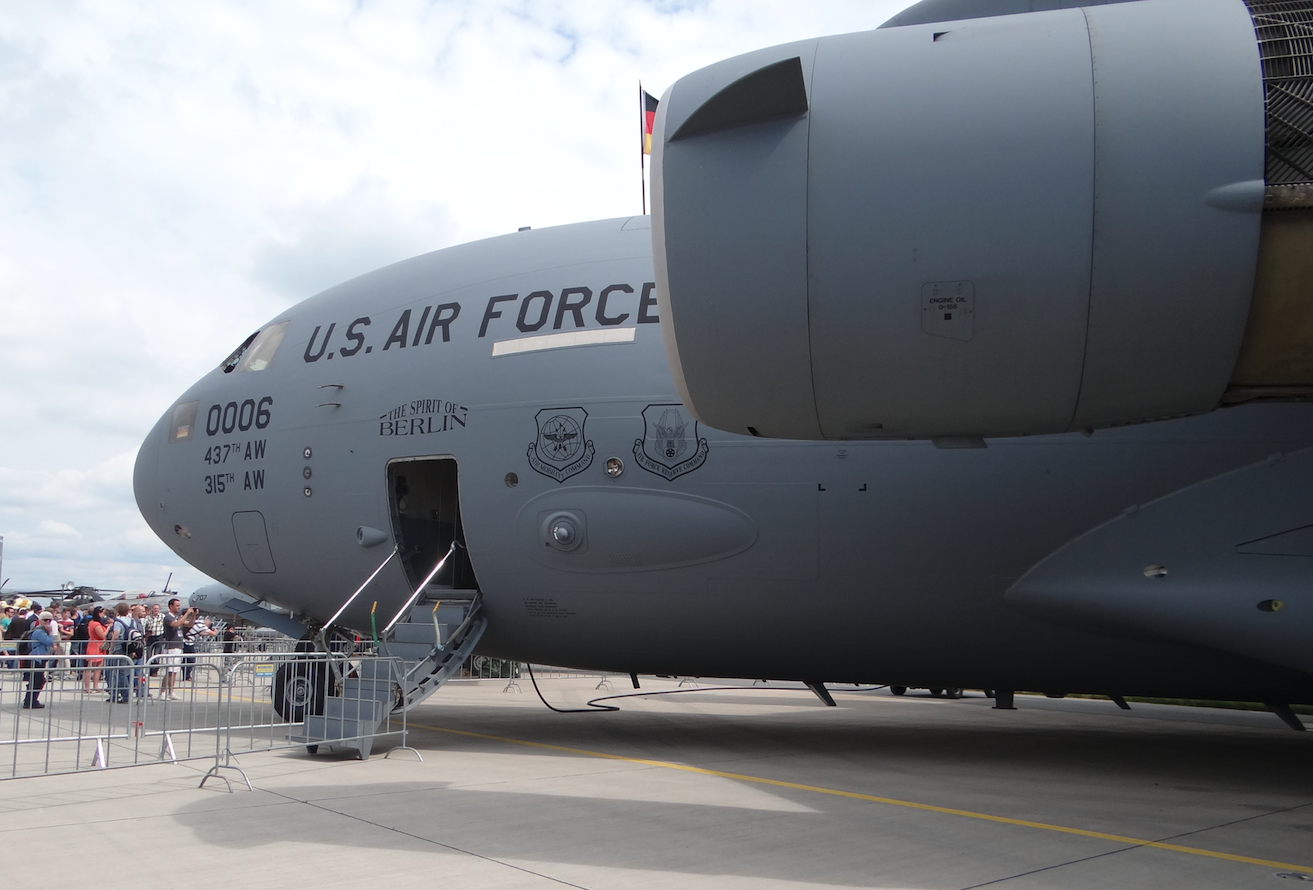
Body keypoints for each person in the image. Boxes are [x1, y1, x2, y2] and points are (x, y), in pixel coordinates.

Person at [159, 598, 196, 700]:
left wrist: (193, 615)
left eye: (179, 606)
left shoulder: (177, 617)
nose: (178, 607)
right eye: (177, 606)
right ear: (171, 606)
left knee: (175, 671)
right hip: (171, 647)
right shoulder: (168, 617)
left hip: (178, 646)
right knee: (170, 671)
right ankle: (162, 692)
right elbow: (175, 624)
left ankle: (171, 692)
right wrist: (186, 614)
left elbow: (189, 624)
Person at [22, 611, 56, 709]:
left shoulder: (41, 631)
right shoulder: (39, 631)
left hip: (40, 658)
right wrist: (51, 633)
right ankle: (30, 701)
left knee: (37, 680)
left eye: (50, 620)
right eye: (45, 620)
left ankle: (31, 700)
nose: (48, 622)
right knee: (38, 680)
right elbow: (49, 642)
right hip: (36, 658)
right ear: (40, 621)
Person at [83, 606, 108, 693]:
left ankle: (95, 685)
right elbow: (102, 635)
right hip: (95, 646)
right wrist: (108, 628)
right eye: (102, 613)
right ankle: (87, 686)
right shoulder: (95, 624)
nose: (104, 615)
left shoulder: (94, 623)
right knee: (90, 667)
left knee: (99, 667)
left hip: (99, 646)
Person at [143, 603, 164, 676]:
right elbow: (144, 626)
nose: (156, 610)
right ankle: (149, 670)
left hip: (159, 637)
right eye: (154, 608)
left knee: (157, 654)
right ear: (152, 609)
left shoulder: (162, 616)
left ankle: (155, 671)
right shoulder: (148, 617)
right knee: (149, 655)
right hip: (150, 637)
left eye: (157, 608)